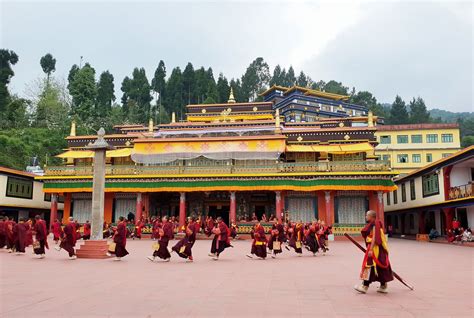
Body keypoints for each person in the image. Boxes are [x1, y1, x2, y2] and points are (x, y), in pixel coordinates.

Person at [355, 210, 394, 294]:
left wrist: (371, 249)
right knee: (380, 268)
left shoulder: (375, 225)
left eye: (367, 215)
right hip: (378, 250)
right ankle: (383, 286)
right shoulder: (373, 224)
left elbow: (374, 238)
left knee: (368, 265)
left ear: (371, 217)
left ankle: (364, 286)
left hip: (375, 249)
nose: (365, 217)